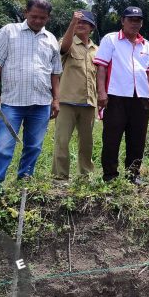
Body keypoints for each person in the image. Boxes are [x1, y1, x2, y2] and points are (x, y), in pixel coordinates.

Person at [0, 0, 62, 198]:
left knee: (33, 147)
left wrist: (56, 99)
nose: (37, 20)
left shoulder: (51, 39)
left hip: (41, 103)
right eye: (34, 16)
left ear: (48, 18)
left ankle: (23, 187)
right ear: (25, 12)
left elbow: (55, 74)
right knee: (3, 147)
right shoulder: (9, 31)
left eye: (42, 18)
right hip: (12, 103)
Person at [94, 6, 149, 184]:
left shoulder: (147, 45)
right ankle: (110, 176)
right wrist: (101, 92)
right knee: (112, 137)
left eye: (138, 20)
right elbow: (101, 67)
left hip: (141, 97)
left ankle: (133, 175)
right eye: (131, 19)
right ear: (123, 21)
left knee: (137, 139)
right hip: (116, 94)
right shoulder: (111, 39)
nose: (135, 23)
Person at [52, 9, 98, 182]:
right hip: (67, 101)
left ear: (91, 27)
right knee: (62, 141)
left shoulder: (96, 50)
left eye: (84, 23)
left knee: (86, 143)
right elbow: (63, 48)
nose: (80, 25)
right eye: (78, 22)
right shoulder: (67, 42)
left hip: (89, 102)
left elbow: (99, 76)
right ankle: (60, 177)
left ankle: (85, 176)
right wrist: (72, 23)